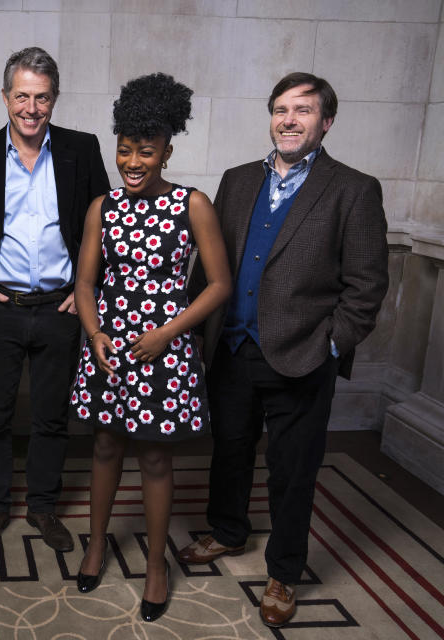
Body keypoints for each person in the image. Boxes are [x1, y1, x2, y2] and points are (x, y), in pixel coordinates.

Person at [176, 72, 389, 628]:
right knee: (230, 448)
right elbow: (209, 265)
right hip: (232, 348)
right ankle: (226, 530)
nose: (288, 120)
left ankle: (284, 571)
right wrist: (194, 334)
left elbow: (367, 285)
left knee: (293, 470)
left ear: (327, 121)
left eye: (303, 110)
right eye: (280, 110)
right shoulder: (237, 179)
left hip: (302, 355)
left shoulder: (353, 188)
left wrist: (331, 344)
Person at [71, 73, 231, 621]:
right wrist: (95, 336)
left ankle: (157, 565)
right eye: (125, 149)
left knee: (156, 457)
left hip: (165, 348)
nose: (133, 161)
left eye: (146, 150)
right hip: (111, 347)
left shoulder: (193, 205)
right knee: (105, 447)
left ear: (167, 150)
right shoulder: (102, 208)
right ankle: (96, 545)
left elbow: (219, 286)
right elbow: (86, 283)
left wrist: (168, 333)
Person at [0, 47, 110, 554]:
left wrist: (86, 291)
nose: (31, 108)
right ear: (5, 98)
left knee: (51, 418)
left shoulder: (81, 149)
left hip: (59, 309)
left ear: (54, 100)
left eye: (42, 98)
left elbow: (105, 226)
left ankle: (43, 508)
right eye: (21, 95)